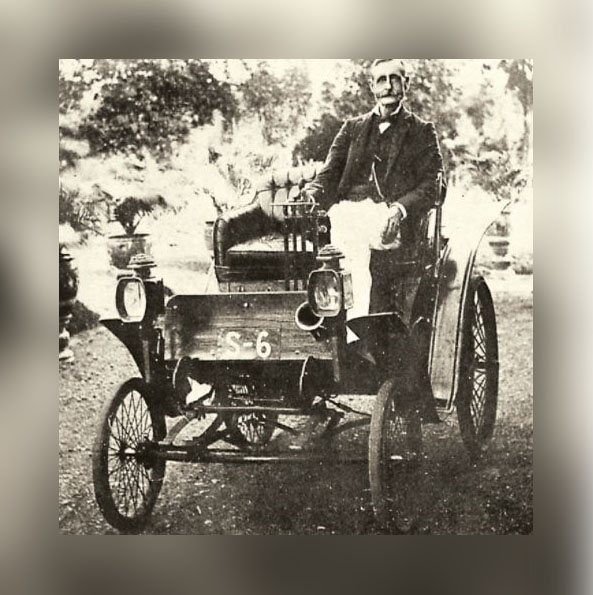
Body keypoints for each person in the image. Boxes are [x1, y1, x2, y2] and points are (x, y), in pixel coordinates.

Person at [304, 59, 444, 314]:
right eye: (381, 80)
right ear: (372, 86)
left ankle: (353, 324)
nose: (388, 86)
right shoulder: (352, 128)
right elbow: (329, 173)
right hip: (349, 213)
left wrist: (400, 209)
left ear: (406, 84)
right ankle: (336, 315)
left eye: (395, 79)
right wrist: (310, 195)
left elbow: (434, 185)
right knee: (341, 221)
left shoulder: (422, 131)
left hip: (392, 221)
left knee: (346, 232)